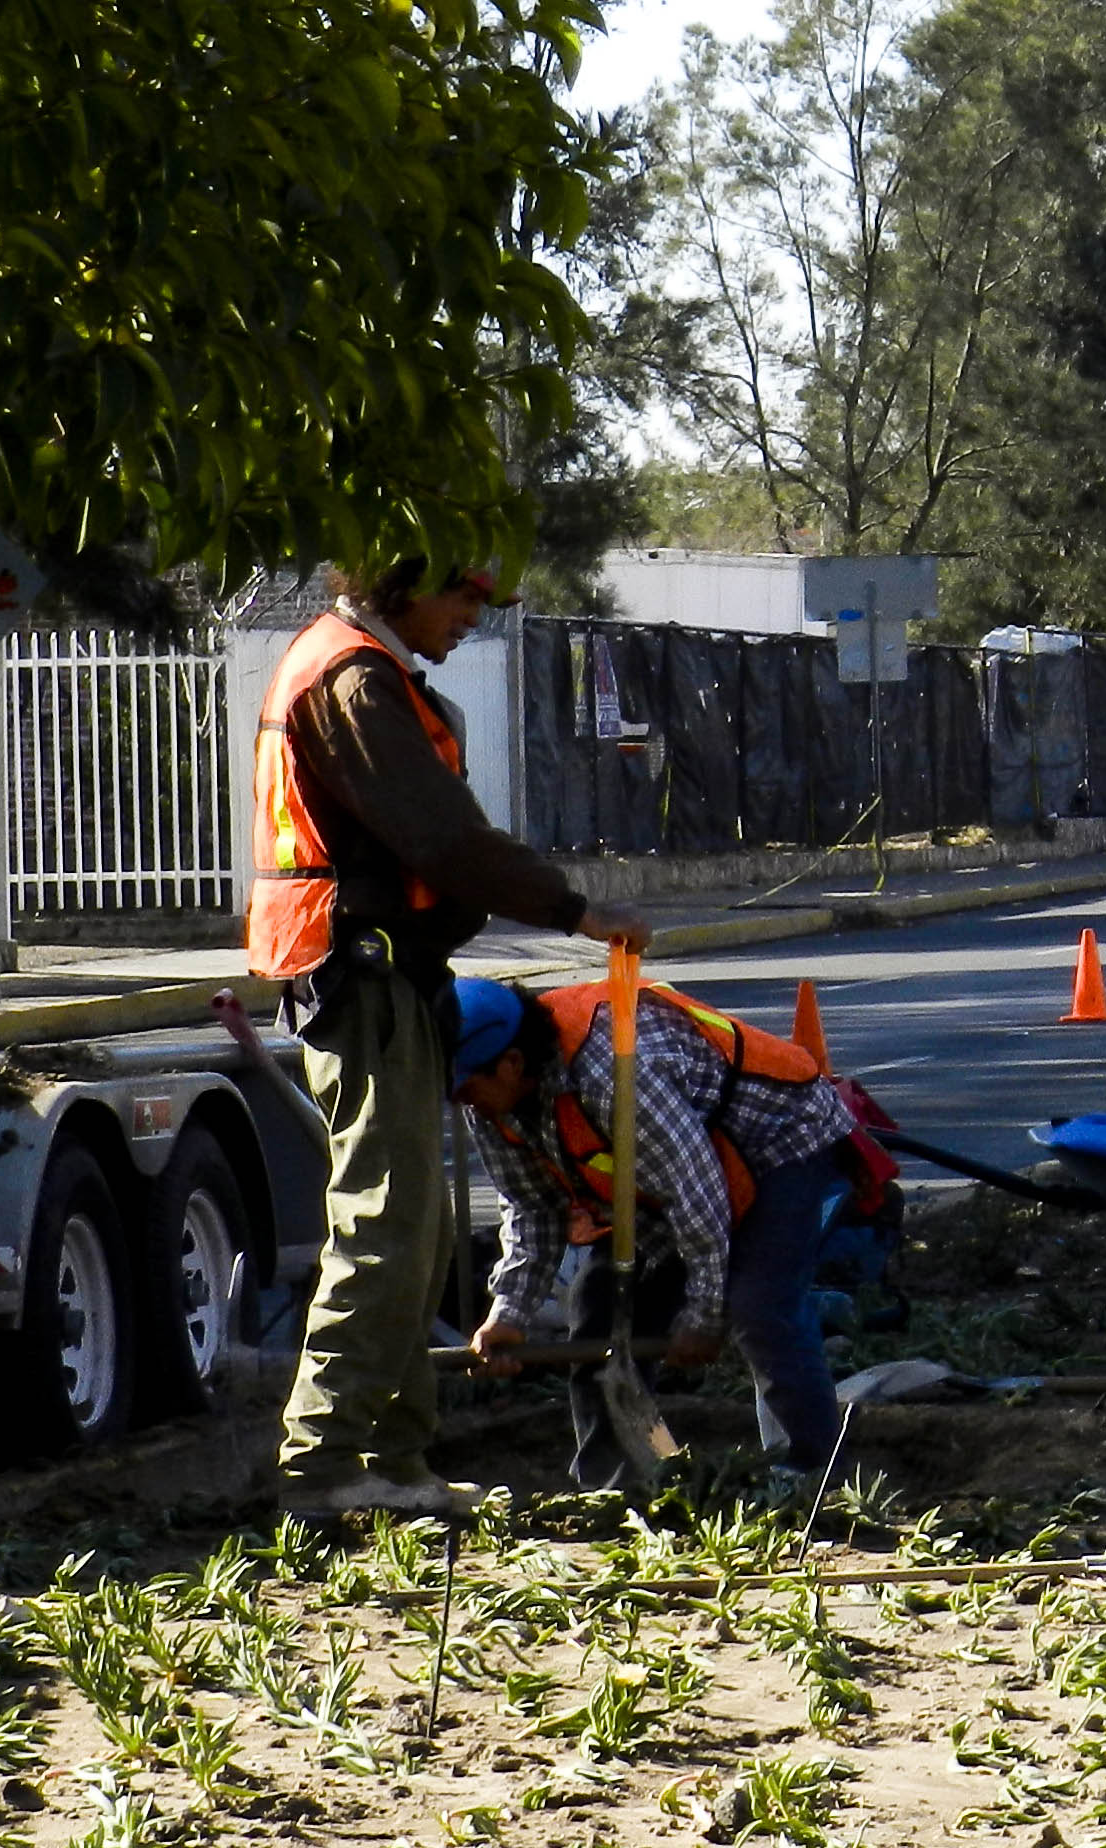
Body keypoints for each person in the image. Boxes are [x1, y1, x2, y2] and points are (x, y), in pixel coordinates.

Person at [248, 559, 641, 1520]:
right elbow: (440, 840)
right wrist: (573, 910)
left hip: (392, 977)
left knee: (417, 1229)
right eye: (461, 598)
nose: (472, 618)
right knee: (385, 1224)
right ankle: (327, 1467)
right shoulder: (352, 678)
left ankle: (398, 1463)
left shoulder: (367, 670)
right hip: (361, 977)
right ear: (399, 584)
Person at [446, 974, 866, 1486]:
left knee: (759, 1305)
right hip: (660, 1183)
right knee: (601, 1311)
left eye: (467, 1087)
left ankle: (814, 1472)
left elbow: (697, 1190)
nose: (461, 1102)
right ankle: (617, 1481)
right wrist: (509, 1314)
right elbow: (533, 1209)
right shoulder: (490, 1105)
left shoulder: (613, 1073)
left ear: (511, 1063)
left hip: (776, 1144)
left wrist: (705, 1313)